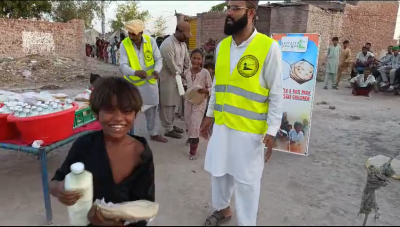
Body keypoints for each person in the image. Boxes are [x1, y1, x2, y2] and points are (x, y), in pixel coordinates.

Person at [200, 0, 283, 225]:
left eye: (235, 8)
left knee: (247, 182)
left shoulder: (268, 47)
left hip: (250, 131)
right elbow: (219, 85)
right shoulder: (222, 46)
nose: (229, 12)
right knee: (219, 172)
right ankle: (223, 211)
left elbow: (276, 93)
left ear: (251, 13)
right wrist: (209, 115)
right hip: (223, 125)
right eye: (228, 7)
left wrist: (273, 130)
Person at [49, 77, 155, 227]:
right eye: (110, 110)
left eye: (127, 111)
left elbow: (146, 205)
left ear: (135, 114)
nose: (118, 118)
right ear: (95, 113)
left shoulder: (142, 152)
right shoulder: (84, 146)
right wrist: (59, 190)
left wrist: (117, 221)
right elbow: (55, 182)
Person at [119, 20, 168, 143]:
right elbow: (123, 66)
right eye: (129, 34)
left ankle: (154, 133)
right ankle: (129, 136)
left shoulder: (150, 41)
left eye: (134, 34)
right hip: (132, 84)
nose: (131, 37)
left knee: (152, 109)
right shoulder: (124, 44)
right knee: (130, 110)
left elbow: (158, 59)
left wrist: (157, 71)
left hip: (149, 83)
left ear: (141, 32)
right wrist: (135, 72)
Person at [159, 21, 192, 139]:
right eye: (184, 35)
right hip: (167, 77)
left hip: (178, 77)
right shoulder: (168, 44)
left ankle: (171, 125)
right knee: (167, 104)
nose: (186, 38)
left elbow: (187, 60)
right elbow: (171, 66)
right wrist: (185, 76)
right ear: (178, 31)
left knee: (175, 103)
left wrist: (191, 72)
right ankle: (167, 128)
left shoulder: (182, 44)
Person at [183, 49, 212, 160]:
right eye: (194, 58)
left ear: (202, 60)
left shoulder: (205, 73)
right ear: (190, 59)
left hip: (200, 103)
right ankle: (190, 137)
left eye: (198, 58)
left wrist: (205, 91)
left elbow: (211, 87)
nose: (196, 60)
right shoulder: (187, 72)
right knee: (188, 121)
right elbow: (185, 84)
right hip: (188, 101)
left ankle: (193, 151)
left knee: (195, 124)